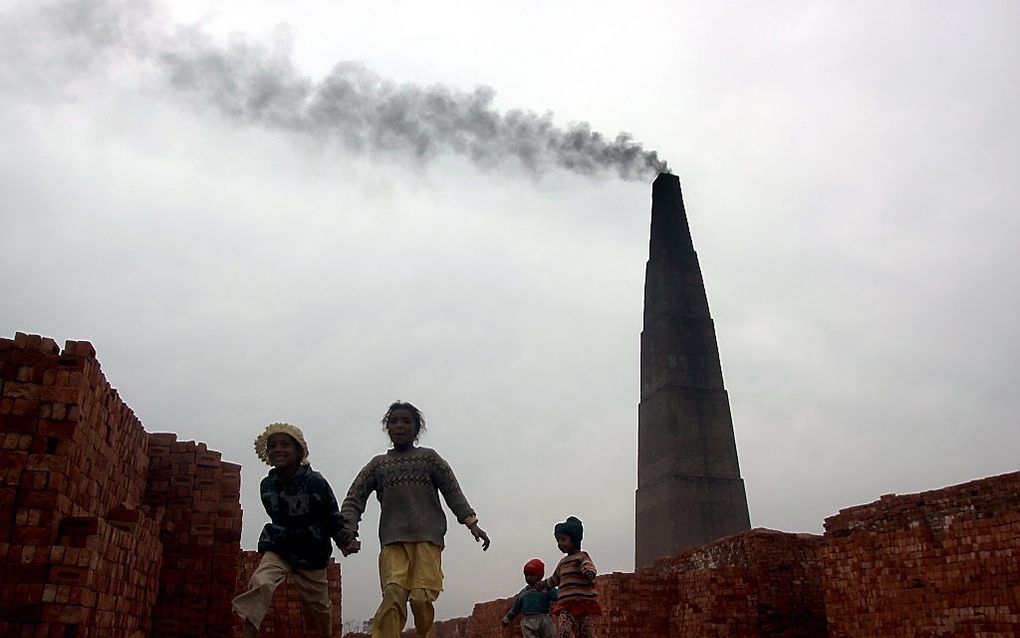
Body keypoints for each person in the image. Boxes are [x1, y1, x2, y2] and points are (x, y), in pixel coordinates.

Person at [337, 400, 490, 638]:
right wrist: (348, 528)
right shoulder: (378, 465)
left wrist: (472, 523)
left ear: (417, 428)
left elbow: (452, 491)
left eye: (406, 421)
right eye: (394, 421)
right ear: (387, 428)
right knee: (393, 594)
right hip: (392, 540)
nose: (399, 426)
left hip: (427, 539)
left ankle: (424, 633)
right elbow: (354, 498)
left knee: (420, 598)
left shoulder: (429, 459)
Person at [231, 422, 348, 638]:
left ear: (298, 451)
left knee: (319, 610)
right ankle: (248, 632)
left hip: (312, 552)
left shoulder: (316, 483)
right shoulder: (267, 485)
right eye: (273, 445)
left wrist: (344, 540)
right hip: (279, 547)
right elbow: (275, 515)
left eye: (285, 444)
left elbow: (331, 515)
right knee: (260, 582)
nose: (278, 449)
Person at [536, 516, 601, 638]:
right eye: (558, 541)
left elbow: (588, 565)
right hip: (566, 606)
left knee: (586, 633)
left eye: (563, 539)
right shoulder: (562, 563)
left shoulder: (581, 557)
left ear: (574, 539)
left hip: (583, 605)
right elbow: (554, 579)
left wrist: (589, 572)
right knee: (564, 630)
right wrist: (543, 584)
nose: (560, 544)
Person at [502, 558, 557, 638]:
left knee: (550, 635)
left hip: (544, 619)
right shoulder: (523, 593)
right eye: (526, 575)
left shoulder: (546, 588)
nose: (528, 577)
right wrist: (507, 618)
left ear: (540, 575)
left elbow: (558, 595)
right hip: (528, 621)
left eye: (531, 574)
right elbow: (516, 608)